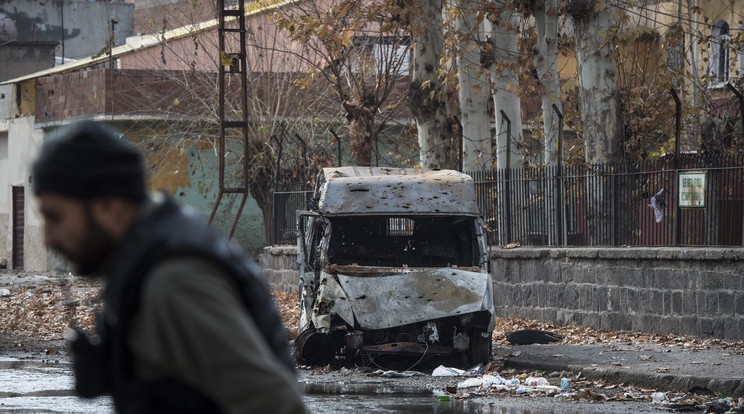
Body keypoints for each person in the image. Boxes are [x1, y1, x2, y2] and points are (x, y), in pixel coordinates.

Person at [31, 121, 307, 414]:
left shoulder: (174, 281)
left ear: (109, 206)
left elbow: (277, 405)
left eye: (55, 217)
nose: (48, 238)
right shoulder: (151, 255)